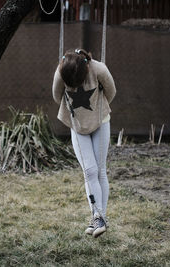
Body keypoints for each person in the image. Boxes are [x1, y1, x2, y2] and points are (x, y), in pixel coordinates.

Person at [52, 48, 116, 238]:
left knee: (100, 169)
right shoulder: (61, 71)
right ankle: (98, 217)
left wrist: (96, 112)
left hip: (100, 122)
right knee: (89, 171)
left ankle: (98, 218)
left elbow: (111, 92)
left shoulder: (99, 69)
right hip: (77, 125)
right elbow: (57, 97)